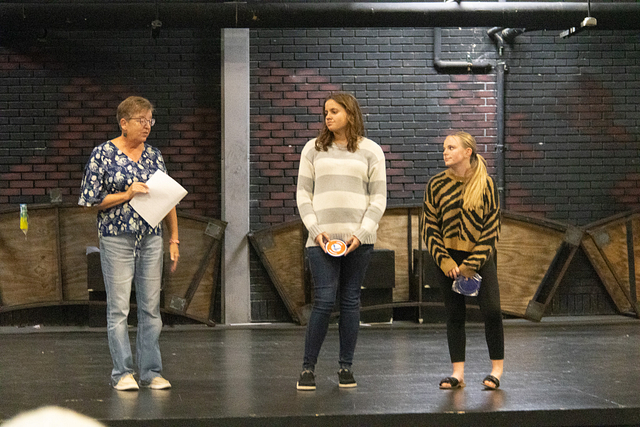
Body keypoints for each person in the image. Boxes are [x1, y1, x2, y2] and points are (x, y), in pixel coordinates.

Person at [79, 96, 179, 391]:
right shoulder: (103, 154)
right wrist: (127, 194)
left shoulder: (154, 155)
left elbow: (168, 198)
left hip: (150, 237)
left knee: (151, 308)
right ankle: (122, 373)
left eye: (150, 120)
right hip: (116, 237)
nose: (147, 126)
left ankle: (151, 372)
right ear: (124, 123)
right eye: (141, 120)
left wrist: (174, 238)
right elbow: (90, 199)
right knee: (119, 308)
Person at [295, 93, 387, 391]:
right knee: (323, 301)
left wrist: (361, 234)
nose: (328, 117)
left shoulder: (371, 150)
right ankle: (308, 369)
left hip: (358, 242)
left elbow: (379, 198)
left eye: (334, 111)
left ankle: (346, 367)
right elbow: (303, 194)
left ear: (350, 113)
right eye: (326, 112)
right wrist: (315, 230)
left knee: (350, 301)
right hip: (320, 240)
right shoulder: (313, 149)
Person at [421, 131, 504, 390]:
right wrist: (445, 261)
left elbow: (492, 227)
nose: (445, 152)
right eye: (444, 148)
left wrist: (472, 264)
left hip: (479, 258)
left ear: (468, 152)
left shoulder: (486, 184)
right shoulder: (435, 184)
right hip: (447, 260)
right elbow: (429, 227)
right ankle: (458, 373)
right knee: (454, 315)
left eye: (451, 147)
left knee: (492, 311)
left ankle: (496, 370)